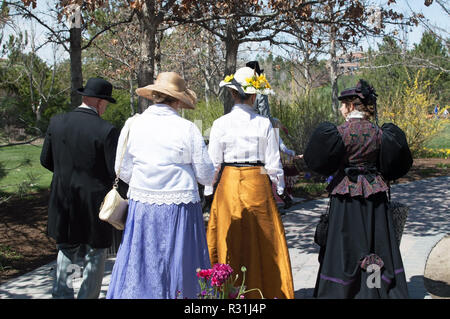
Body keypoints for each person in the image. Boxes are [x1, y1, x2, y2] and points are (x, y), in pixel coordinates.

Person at [106, 72, 215, 299]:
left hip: (143, 204)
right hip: (180, 207)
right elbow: (205, 175)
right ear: (177, 100)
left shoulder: (133, 124)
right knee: (180, 263)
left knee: (142, 261)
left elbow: (122, 169)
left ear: (155, 95)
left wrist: (148, 177)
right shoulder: (187, 129)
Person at [303, 79, 413, 299]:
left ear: (352, 106)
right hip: (375, 197)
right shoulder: (381, 133)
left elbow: (317, 161)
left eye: (344, 104)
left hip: (346, 197)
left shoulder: (338, 133)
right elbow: (395, 164)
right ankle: (372, 290)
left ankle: (343, 291)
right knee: (375, 244)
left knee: (345, 245)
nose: (342, 109)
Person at [206, 67, 294, 299]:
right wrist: (280, 188)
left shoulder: (220, 124)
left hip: (229, 184)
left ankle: (227, 293)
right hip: (258, 182)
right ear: (254, 95)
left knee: (229, 237)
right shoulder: (264, 124)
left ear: (233, 94)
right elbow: (273, 162)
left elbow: (213, 163)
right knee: (263, 240)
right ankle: (264, 291)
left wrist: (208, 191)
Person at [40, 77, 120, 299]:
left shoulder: (57, 122)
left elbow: (45, 160)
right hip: (94, 203)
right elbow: (114, 171)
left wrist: (65, 175)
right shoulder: (106, 130)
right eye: (105, 102)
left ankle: (61, 295)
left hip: (63, 200)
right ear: (98, 102)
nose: (105, 107)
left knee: (65, 251)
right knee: (95, 254)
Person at [271, 118, 302, 209]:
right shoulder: (276, 135)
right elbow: (284, 149)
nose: (279, 127)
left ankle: (272, 203)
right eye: (278, 125)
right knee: (276, 182)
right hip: (275, 161)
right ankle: (283, 200)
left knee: (269, 182)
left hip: (265, 162)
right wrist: (292, 153)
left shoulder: (264, 133)